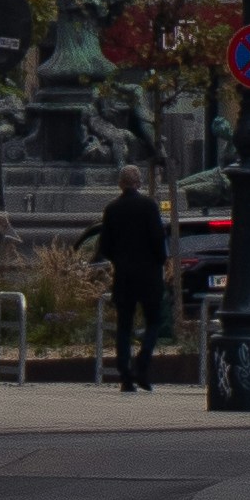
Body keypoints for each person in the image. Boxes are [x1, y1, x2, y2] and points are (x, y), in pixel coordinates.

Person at [91, 167, 165, 395]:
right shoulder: (149, 206)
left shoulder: (112, 209)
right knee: (154, 321)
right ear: (139, 182)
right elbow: (157, 238)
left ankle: (125, 376)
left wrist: (120, 260)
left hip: (124, 275)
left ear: (120, 184)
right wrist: (159, 260)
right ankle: (141, 366)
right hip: (149, 274)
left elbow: (104, 246)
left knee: (124, 326)